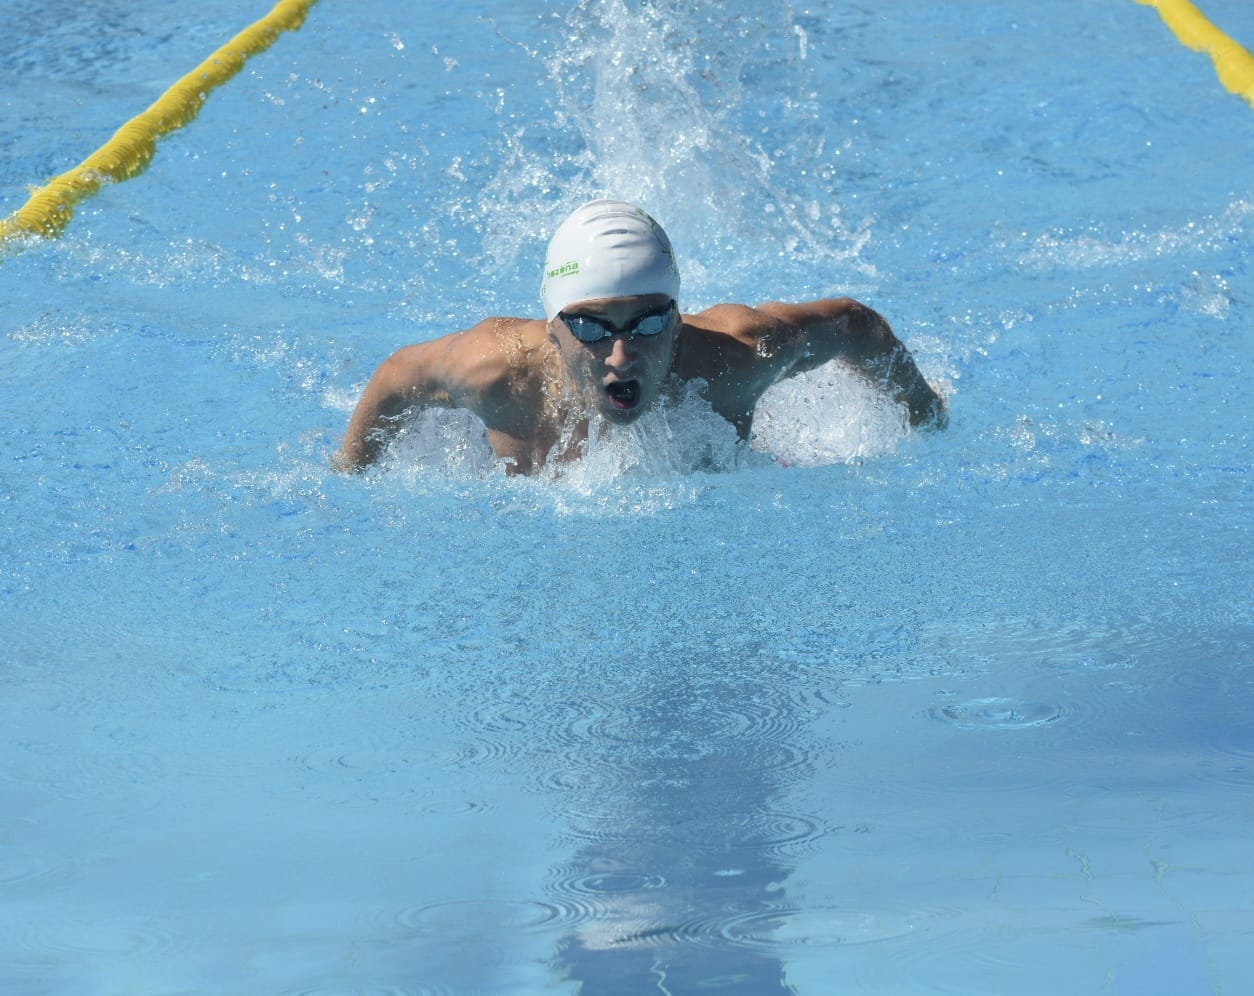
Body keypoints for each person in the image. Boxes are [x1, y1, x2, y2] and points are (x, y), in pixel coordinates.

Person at [336, 199, 945, 475]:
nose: (620, 355)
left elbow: (853, 326)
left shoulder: (737, 357)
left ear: (677, 319)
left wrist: (927, 415)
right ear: (553, 329)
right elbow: (393, 377)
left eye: (649, 322)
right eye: (590, 329)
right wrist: (350, 472)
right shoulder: (493, 372)